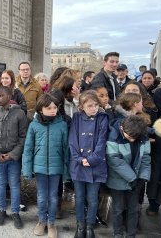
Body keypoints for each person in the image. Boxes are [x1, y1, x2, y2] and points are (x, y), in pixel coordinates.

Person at [23, 93, 70, 237]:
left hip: (56, 168)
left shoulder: (62, 124)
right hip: (39, 167)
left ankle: (51, 223)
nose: (53, 110)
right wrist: (27, 169)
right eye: (48, 108)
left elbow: (66, 149)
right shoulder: (34, 125)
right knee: (42, 196)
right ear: (40, 109)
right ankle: (42, 221)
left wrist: (66, 171)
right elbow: (28, 148)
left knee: (54, 197)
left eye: (55, 107)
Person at [0, 86, 28, 229]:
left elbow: (23, 136)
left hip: (13, 158)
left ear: (9, 96)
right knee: (0, 184)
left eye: (2, 95)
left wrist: (13, 154)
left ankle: (15, 211)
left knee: (14, 184)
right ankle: (1, 209)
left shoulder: (19, 114)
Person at [69, 90, 109, 238]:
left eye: (96, 105)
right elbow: (72, 140)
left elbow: (101, 142)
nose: (94, 108)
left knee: (93, 198)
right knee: (79, 197)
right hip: (78, 165)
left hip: (96, 165)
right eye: (90, 106)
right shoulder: (77, 118)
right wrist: (79, 159)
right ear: (82, 107)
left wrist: (91, 159)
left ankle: (90, 225)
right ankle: (80, 225)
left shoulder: (102, 118)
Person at [106, 115, 151, 238]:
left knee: (133, 209)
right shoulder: (113, 136)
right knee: (118, 209)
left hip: (136, 180)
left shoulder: (142, 137)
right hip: (118, 180)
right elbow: (113, 160)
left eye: (135, 138)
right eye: (129, 137)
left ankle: (131, 234)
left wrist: (142, 178)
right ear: (122, 128)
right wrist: (132, 178)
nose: (132, 140)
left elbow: (146, 159)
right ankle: (118, 233)